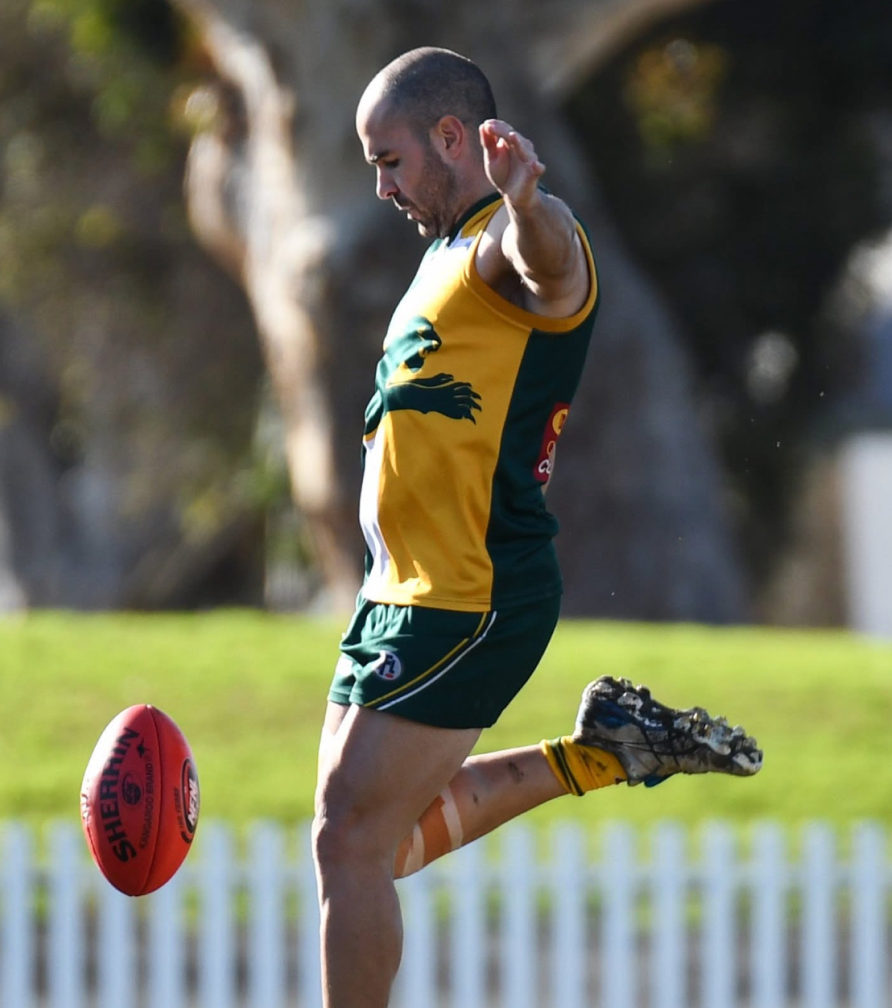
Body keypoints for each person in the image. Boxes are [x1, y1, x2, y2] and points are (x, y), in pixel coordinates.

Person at [311, 46, 762, 1008]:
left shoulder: (502, 248)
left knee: (346, 840)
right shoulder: (441, 253)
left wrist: (526, 204)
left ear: (449, 138)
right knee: (375, 844)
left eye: (389, 161)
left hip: (470, 593)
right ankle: (602, 750)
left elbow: (547, 262)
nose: (381, 186)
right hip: (398, 595)